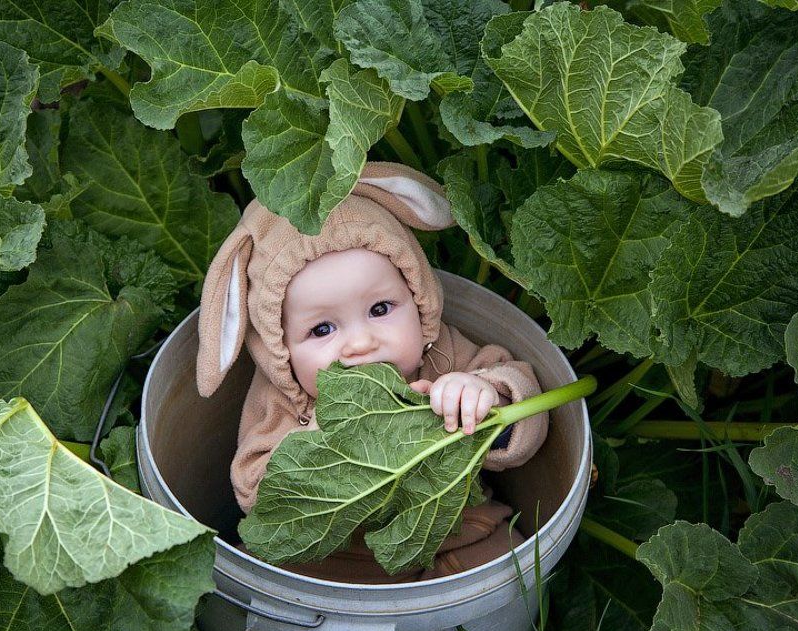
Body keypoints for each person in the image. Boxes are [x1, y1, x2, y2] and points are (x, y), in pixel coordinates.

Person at [195, 162, 548, 583]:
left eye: (380, 309)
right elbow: (252, 491)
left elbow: (527, 412)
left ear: (418, 298)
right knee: (255, 570)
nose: (360, 343)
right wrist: (318, 447)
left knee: (504, 562)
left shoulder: (444, 358)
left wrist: (487, 396)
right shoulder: (281, 398)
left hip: (452, 532)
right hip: (328, 559)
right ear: (279, 349)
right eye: (322, 329)